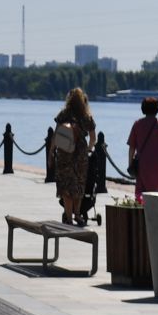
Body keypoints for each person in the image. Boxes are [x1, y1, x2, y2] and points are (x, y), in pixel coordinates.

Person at [51, 87, 97, 225]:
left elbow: (56, 135)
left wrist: (51, 152)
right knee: (79, 184)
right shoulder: (87, 117)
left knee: (66, 186)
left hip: (65, 152)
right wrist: (88, 149)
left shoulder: (63, 115)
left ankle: (69, 217)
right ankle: (77, 215)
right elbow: (93, 138)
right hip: (80, 155)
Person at [127, 96, 158, 199]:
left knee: (141, 195)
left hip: (143, 165)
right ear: (157, 109)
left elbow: (131, 148)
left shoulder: (137, 124)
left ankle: (143, 213)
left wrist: (130, 164)